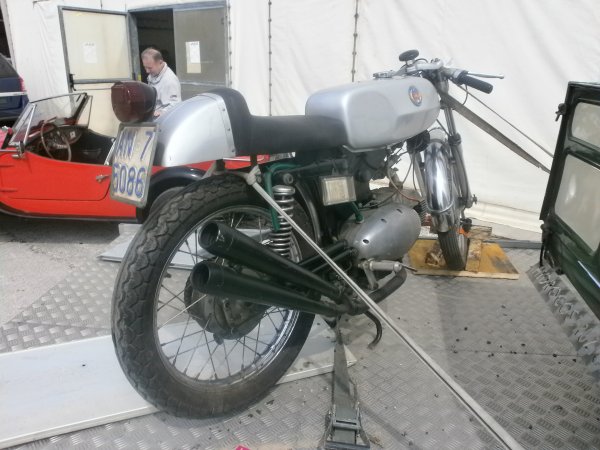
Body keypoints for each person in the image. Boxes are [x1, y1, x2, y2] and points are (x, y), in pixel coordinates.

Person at [141, 48, 181, 117]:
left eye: (150, 68)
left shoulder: (170, 80)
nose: (147, 71)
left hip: (162, 119)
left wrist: (162, 112)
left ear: (160, 62)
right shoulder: (153, 75)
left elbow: (175, 104)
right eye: (145, 67)